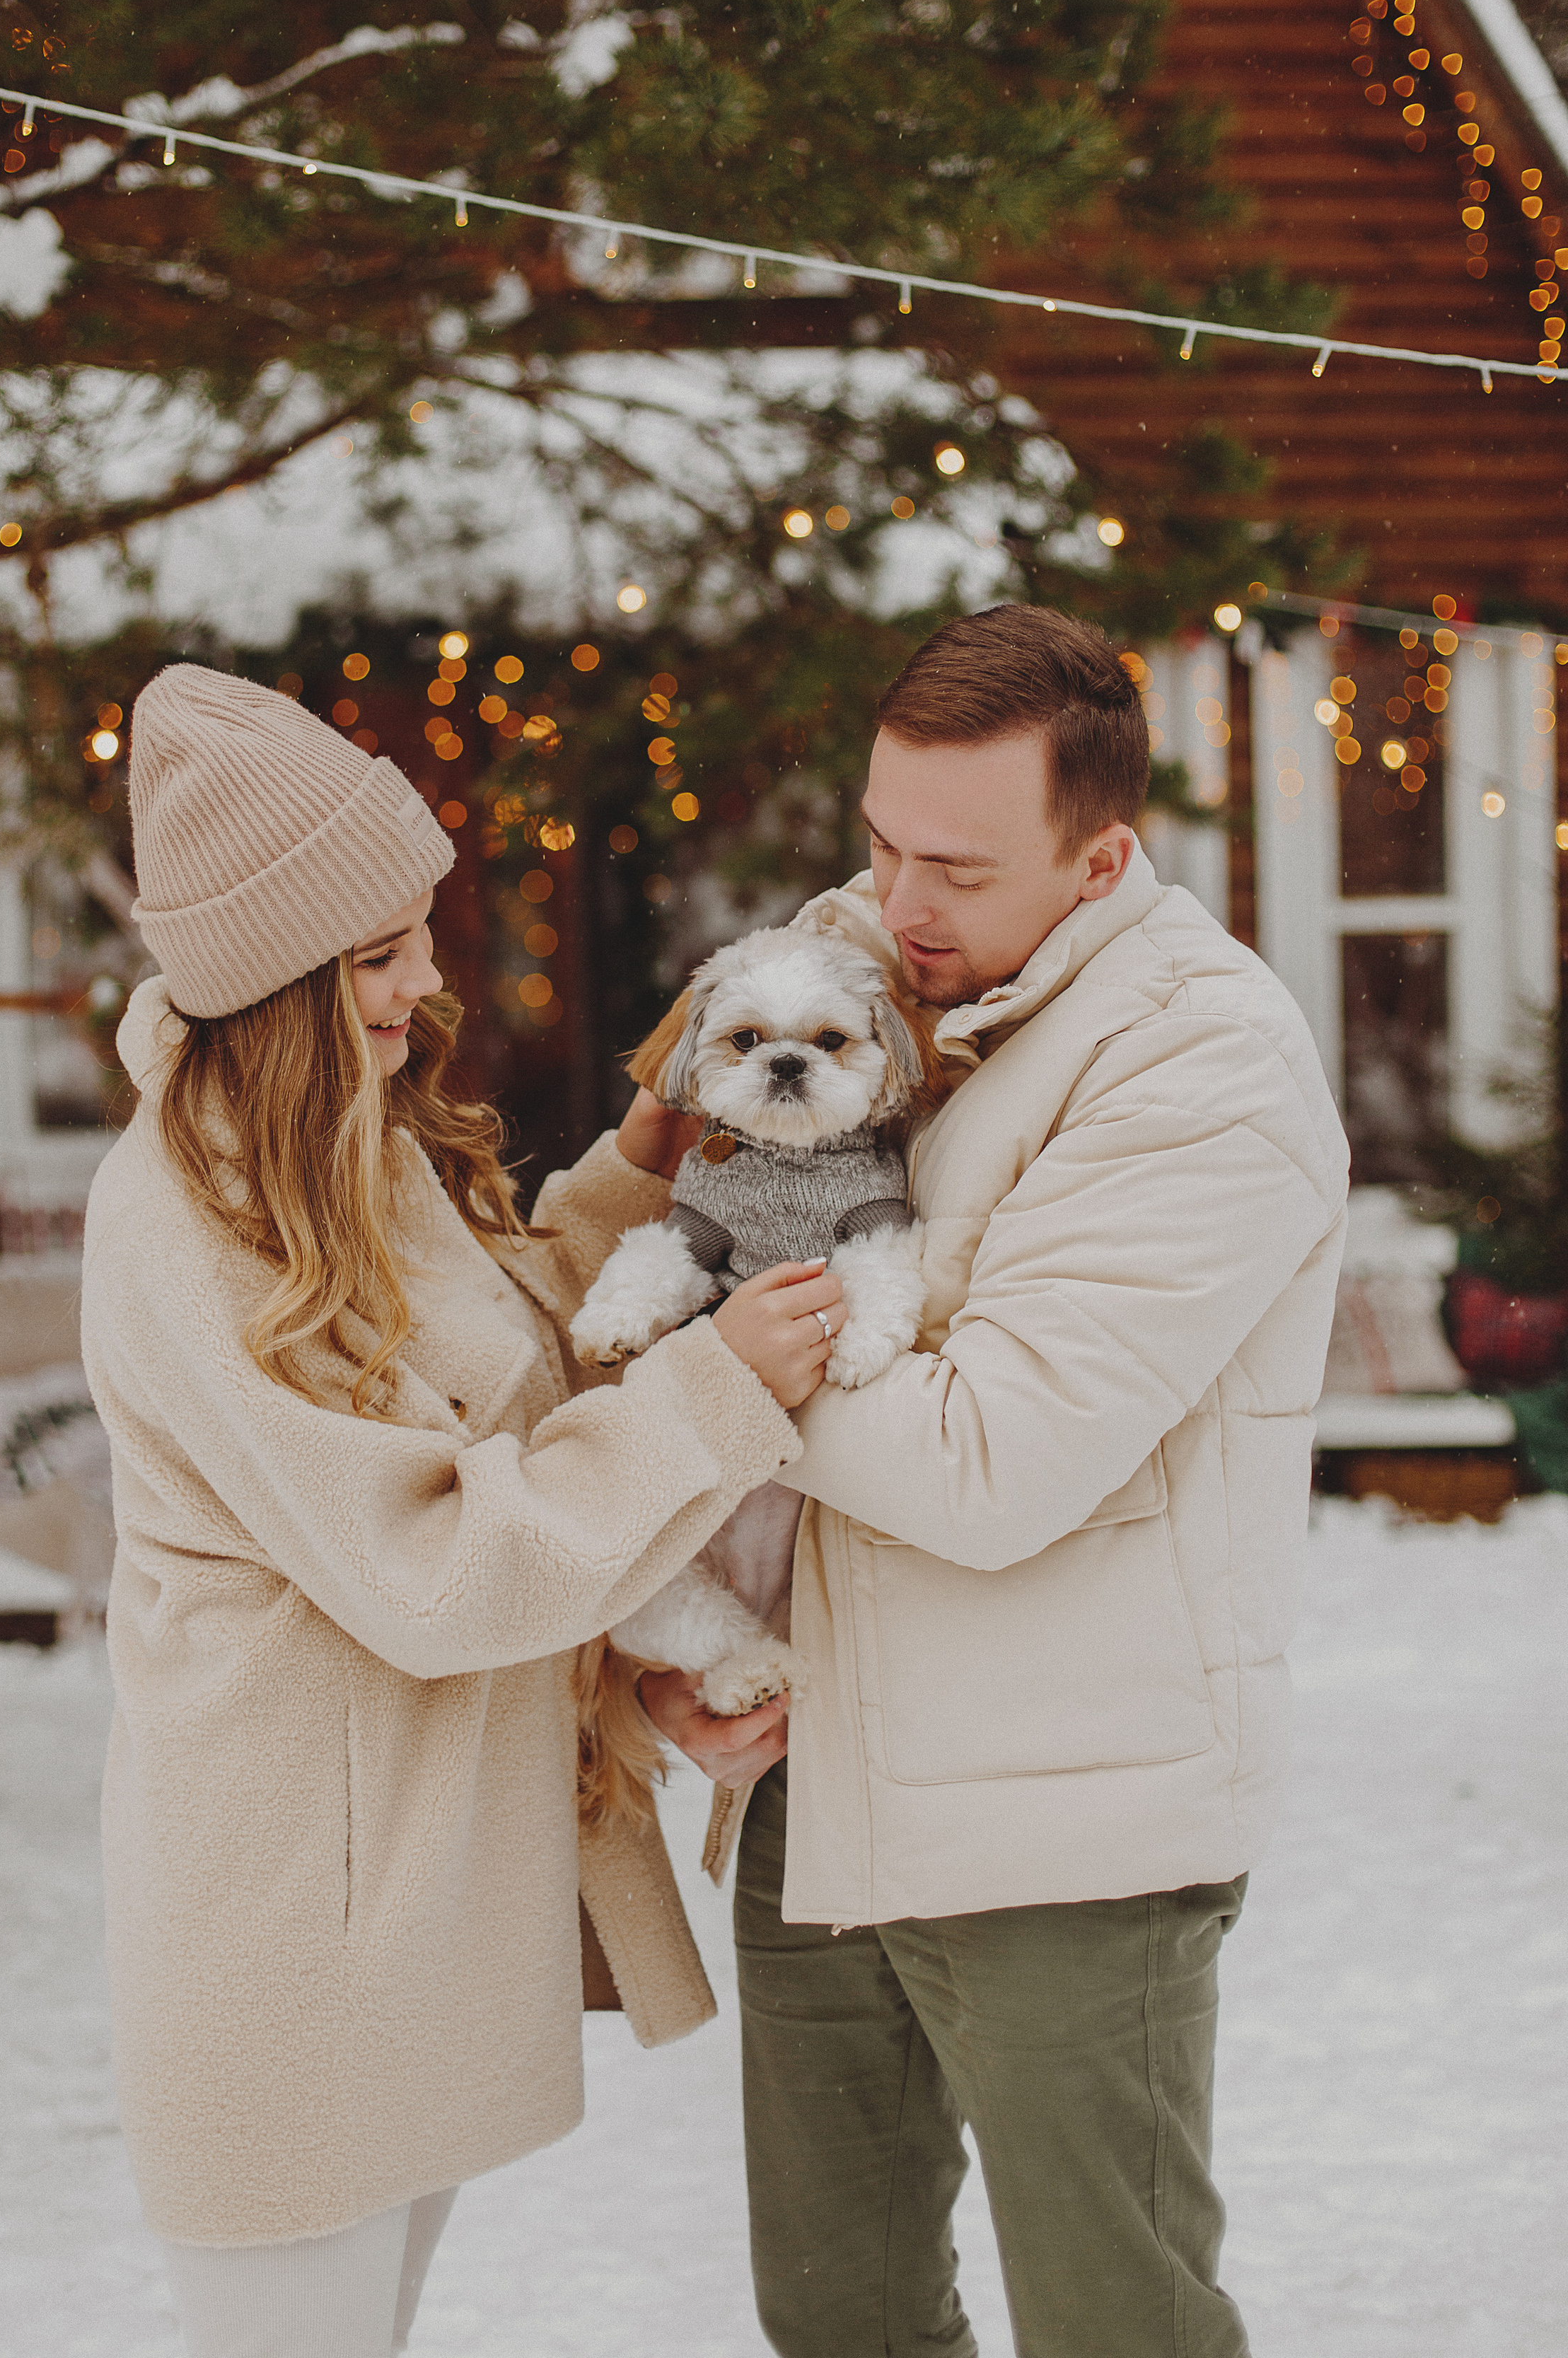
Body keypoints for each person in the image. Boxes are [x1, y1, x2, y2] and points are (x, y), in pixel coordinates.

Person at [79, 663, 848, 2358]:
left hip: (402, 1908)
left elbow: (490, 1366)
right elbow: (431, 1563)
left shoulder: (333, 1144)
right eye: (377, 956)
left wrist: (643, 1173)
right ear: (274, 982)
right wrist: (711, 1393)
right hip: (299, 1936)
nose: (426, 980)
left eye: (416, 934)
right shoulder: (190, 1229)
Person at [638, 605, 1349, 2358]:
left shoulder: (1202, 1060)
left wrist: (705, 1356)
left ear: (1098, 858)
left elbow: (986, 1464)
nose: (895, 902)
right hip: (825, 1778)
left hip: (1064, 1826)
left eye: (953, 868)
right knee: (840, 2316)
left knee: (1114, 2324)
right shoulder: (869, 977)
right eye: (881, 843)